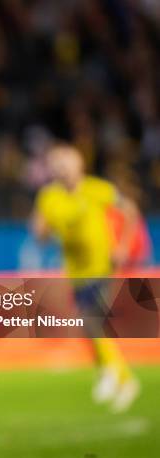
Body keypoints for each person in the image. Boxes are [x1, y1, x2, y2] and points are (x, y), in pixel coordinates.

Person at [31, 143, 141, 413]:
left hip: (101, 266)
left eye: (66, 162)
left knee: (92, 321)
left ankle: (121, 379)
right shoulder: (49, 197)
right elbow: (40, 233)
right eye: (56, 164)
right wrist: (44, 230)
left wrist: (124, 245)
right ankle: (110, 372)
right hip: (75, 272)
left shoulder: (97, 189)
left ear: (79, 164)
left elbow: (130, 211)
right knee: (89, 325)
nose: (61, 168)